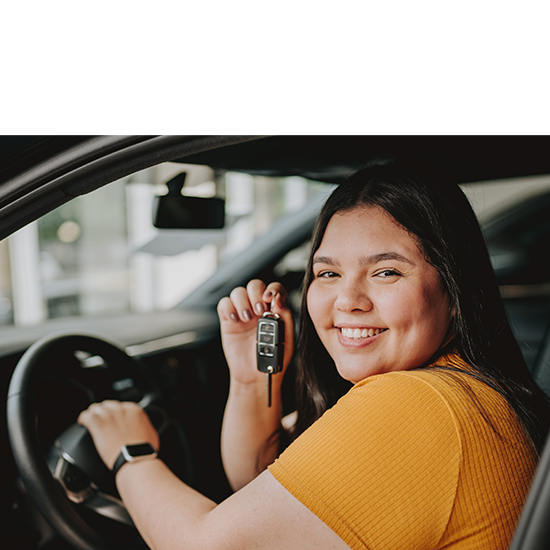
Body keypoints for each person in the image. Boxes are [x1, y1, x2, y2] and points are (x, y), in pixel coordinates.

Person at [78, 162, 550, 550]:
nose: (348, 300)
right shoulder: (463, 388)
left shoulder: (420, 404)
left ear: (454, 292)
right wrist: (249, 381)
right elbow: (262, 492)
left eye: (385, 272)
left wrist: (131, 454)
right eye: (327, 274)